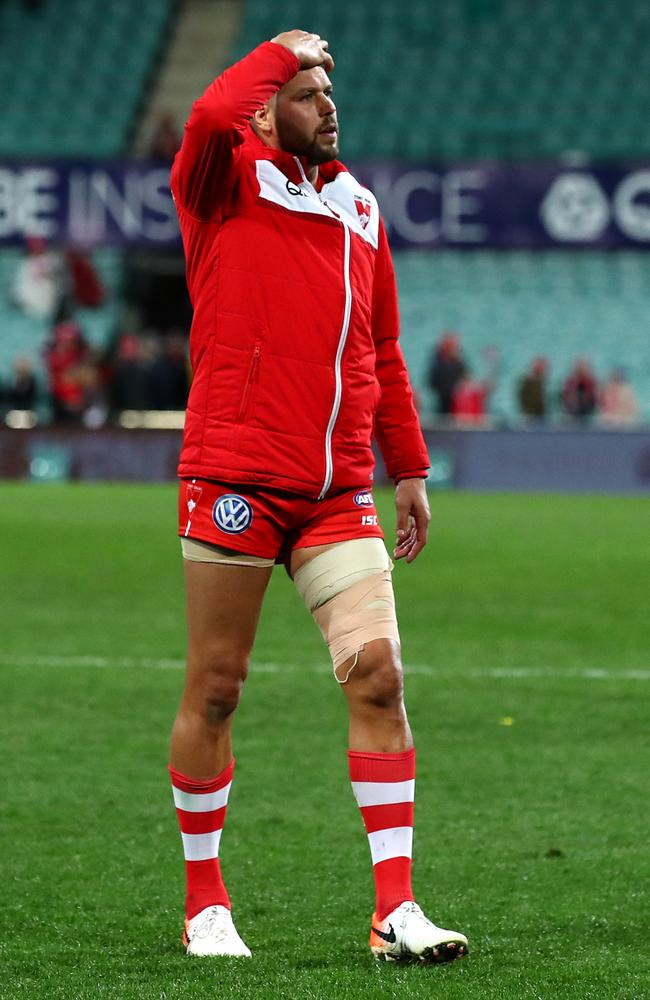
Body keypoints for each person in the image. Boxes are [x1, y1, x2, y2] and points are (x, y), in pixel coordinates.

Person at [168, 29, 468, 965]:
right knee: (217, 689)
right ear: (265, 109)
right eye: (305, 92)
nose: (327, 105)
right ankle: (205, 903)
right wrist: (278, 46)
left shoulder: (361, 208)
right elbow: (212, 113)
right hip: (236, 477)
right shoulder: (221, 184)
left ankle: (395, 911)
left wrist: (408, 466)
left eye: (330, 91)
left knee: (378, 675)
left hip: (337, 487)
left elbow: (380, 349)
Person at [428, 332, 465, 418]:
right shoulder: (438, 363)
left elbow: (465, 377)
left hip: (456, 399)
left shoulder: (457, 362)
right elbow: (432, 381)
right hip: (443, 397)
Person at [517, 356, 549, 422]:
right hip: (531, 416)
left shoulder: (542, 382)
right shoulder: (528, 381)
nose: (544, 369)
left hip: (540, 416)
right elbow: (522, 397)